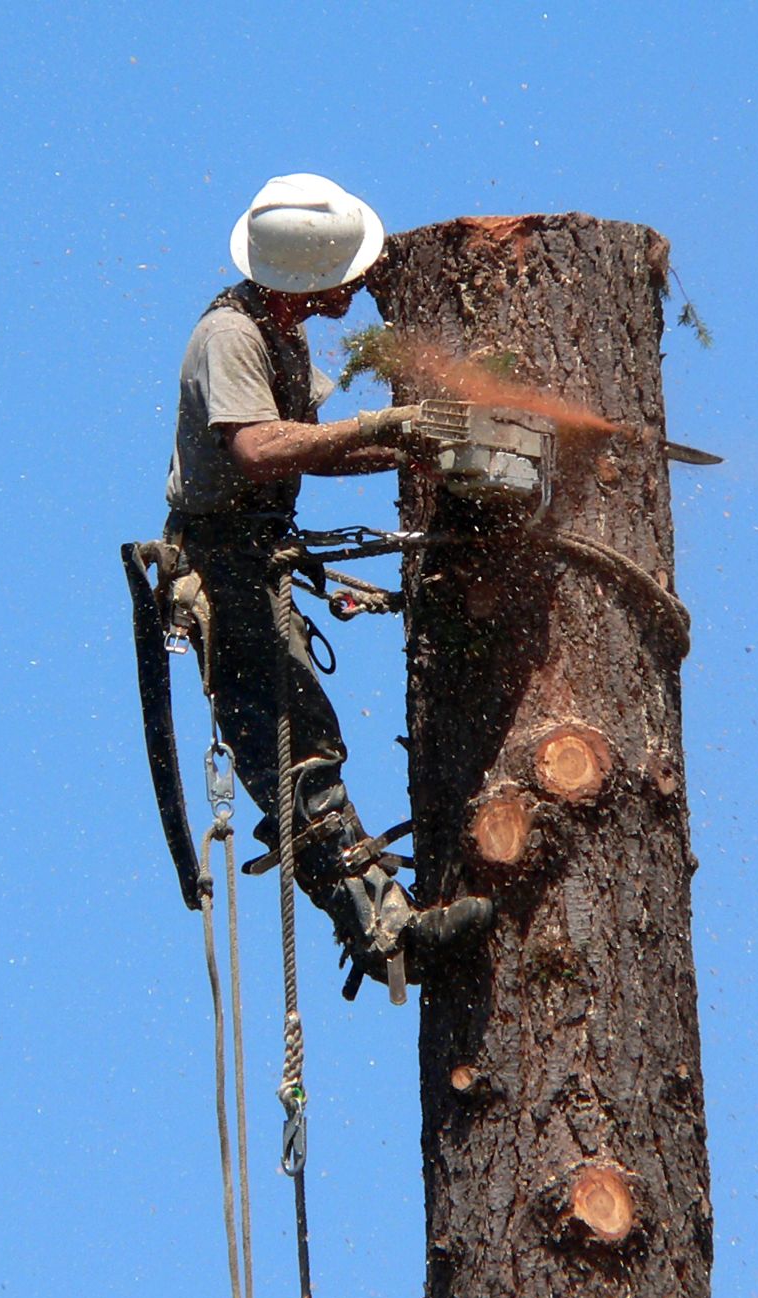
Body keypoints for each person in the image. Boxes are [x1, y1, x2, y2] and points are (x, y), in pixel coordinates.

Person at [163, 173, 492, 1001]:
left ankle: (385, 919)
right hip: (225, 568)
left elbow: (316, 445)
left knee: (308, 746)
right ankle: (385, 931)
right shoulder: (230, 336)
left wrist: (412, 445)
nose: (360, 283)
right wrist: (380, 426)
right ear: (307, 277)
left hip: (256, 554)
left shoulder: (283, 330)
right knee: (299, 757)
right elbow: (261, 449)